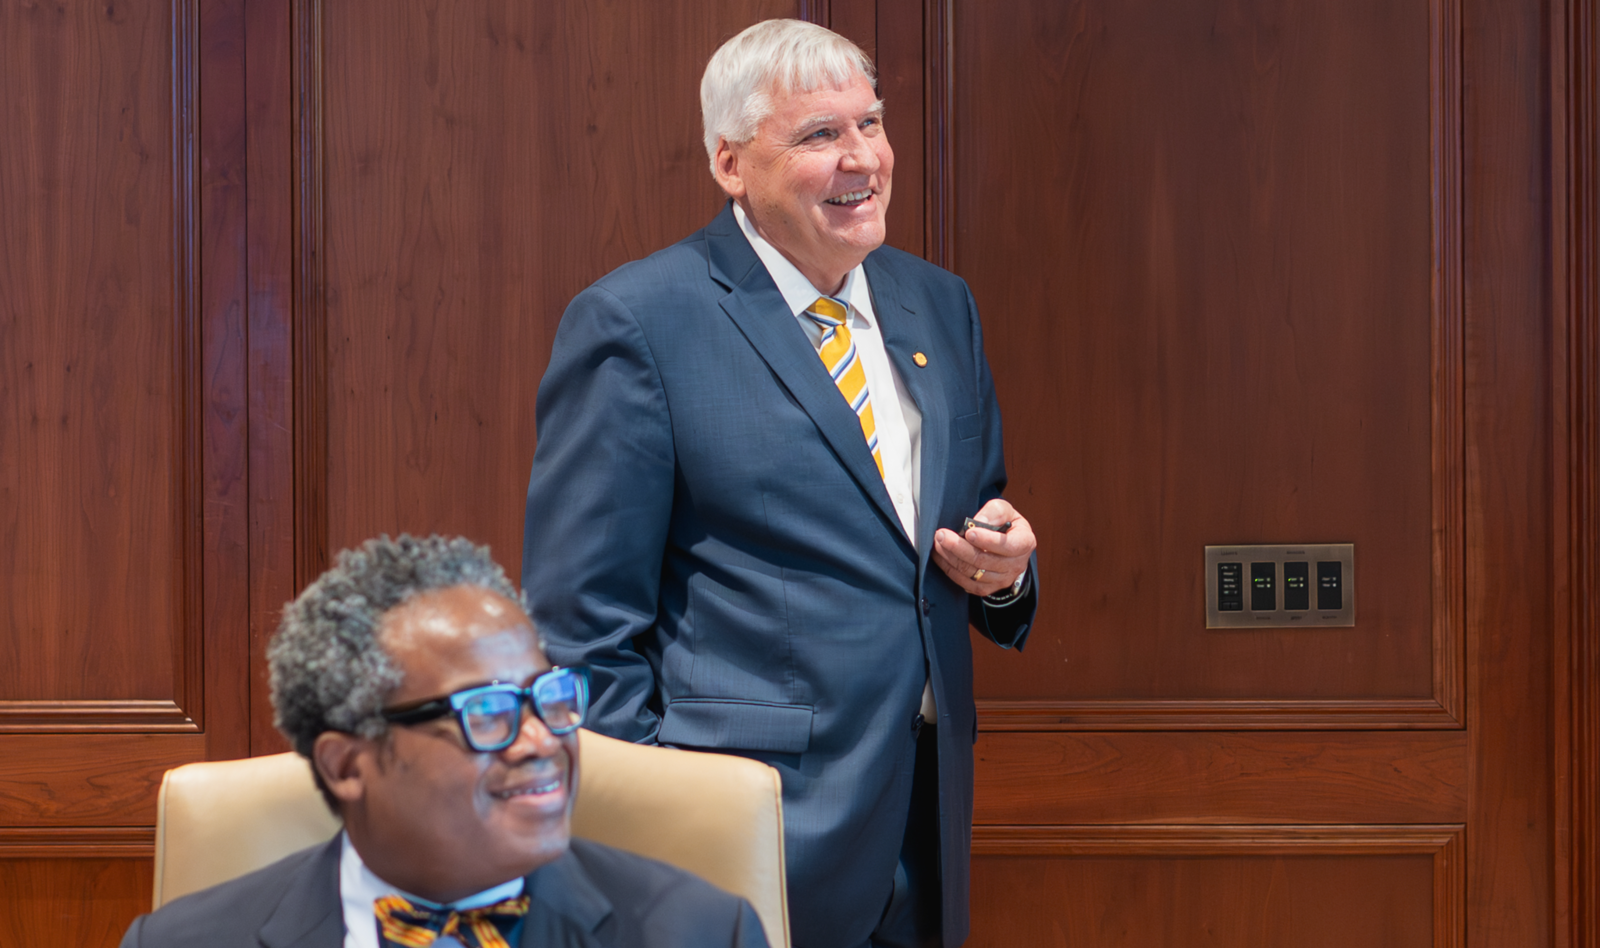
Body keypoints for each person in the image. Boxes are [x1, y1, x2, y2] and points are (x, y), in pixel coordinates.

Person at [522, 19, 1039, 948]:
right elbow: (581, 631)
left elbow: (968, 519)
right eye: (819, 136)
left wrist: (1005, 571)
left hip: (926, 813)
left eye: (871, 125)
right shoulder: (637, 324)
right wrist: (656, 836)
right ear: (730, 163)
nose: (864, 160)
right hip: (743, 831)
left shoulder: (939, 303)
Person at [120, 534, 769, 948]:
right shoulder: (182, 942)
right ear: (347, 764)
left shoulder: (703, 932)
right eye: (486, 713)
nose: (540, 741)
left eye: (549, 698)